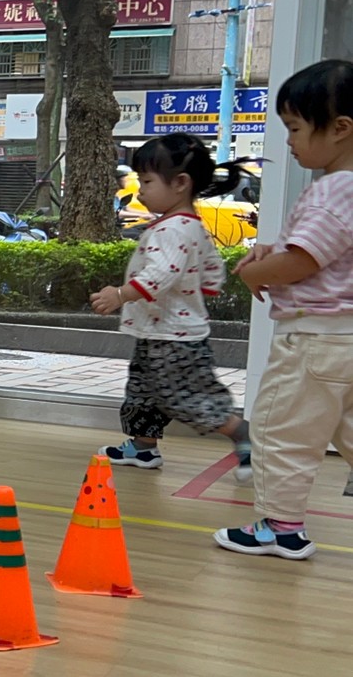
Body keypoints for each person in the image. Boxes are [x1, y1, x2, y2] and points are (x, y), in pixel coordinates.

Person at [213, 59, 353, 560]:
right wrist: (276, 251)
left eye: (295, 128)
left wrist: (255, 272)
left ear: (340, 129)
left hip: (315, 340)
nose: (289, 141)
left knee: (281, 431)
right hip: (345, 339)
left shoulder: (334, 189)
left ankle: (281, 528)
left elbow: (304, 261)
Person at [90, 134, 254, 480]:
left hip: (173, 338)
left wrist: (119, 295)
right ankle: (143, 447)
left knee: (184, 397)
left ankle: (241, 432)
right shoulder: (190, 225)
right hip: (162, 330)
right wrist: (202, 289)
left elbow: (160, 274)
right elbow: (213, 268)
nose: (140, 192)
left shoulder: (173, 230)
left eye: (147, 182)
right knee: (143, 390)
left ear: (180, 183)